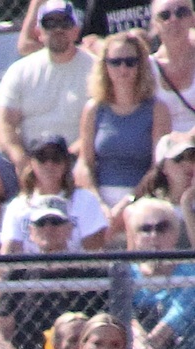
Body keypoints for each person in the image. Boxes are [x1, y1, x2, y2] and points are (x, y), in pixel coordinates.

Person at [0, 0, 96, 232]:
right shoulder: (20, 70)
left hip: (74, 157)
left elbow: (99, 124)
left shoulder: (95, 70)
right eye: (50, 23)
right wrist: (20, 158)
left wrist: (59, 161)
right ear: (38, 32)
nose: (57, 29)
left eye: (64, 23)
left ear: (76, 30)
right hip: (26, 156)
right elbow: (3, 123)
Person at [0, 194, 107, 349]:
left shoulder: (93, 275)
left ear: (69, 228)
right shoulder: (17, 275)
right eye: (41, 223)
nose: (48, 228)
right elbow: (1, 337)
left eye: (55, 222)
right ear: (30, 231)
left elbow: (106, 330)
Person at [75, 33, 170, 220]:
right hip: (99, 197)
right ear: (105, 66)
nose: (123, 68)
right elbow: (85, 163)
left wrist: (128, 202)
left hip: (142, 199)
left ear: (141, 65)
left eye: (130, 62)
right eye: (115, 62)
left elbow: (157, 168)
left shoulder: (157, 109)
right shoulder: (94, 109)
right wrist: (98, 203)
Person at [127, 196, 195, 349]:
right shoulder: (126, 274)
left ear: (175, 233)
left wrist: (148, 346)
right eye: (145, 229)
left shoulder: (190, 272)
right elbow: (123, 314)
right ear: (135, 236)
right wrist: (141, 344)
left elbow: (180, 314)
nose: (153, 235)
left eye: (162, 227)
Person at [0, 134, 110, 254]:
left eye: (56, 158)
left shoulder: (85, 200)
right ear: (31, 163)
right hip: (31, 271)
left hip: (78, 271)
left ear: (66, 163)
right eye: (42, 158)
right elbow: (8, 258)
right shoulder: (17, 206)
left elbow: (94, 256)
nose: (49, 164)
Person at [130, 132, 195, 248]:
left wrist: (186, 203)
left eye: (192, 157)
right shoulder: (146, 208)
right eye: (178, 159)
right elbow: (134, 257)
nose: (188, 165)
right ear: (163, 167)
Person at [151, 0, 195, 134]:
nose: (174, 19)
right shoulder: (145, 68)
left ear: (192, 19)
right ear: (155, 25)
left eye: (181, 12)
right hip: (163, 149)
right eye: (164, 15)